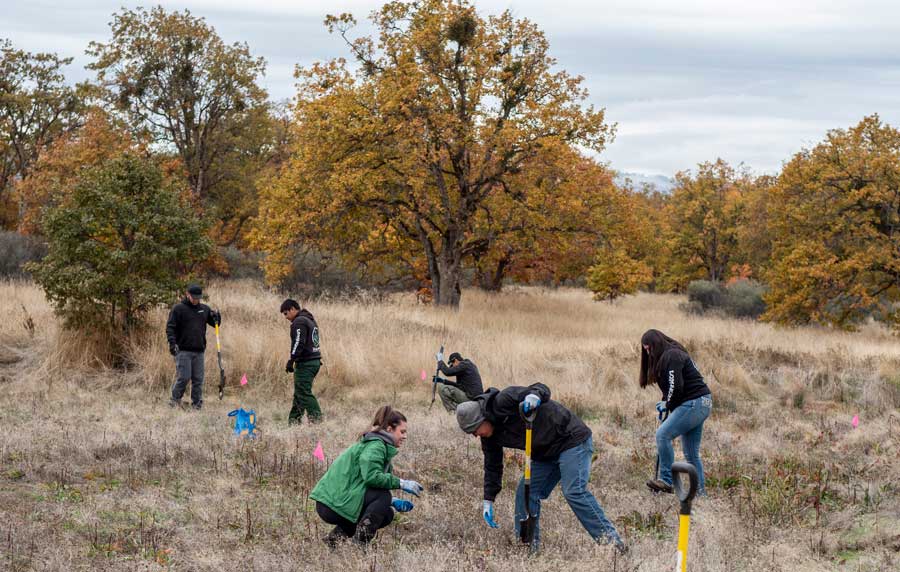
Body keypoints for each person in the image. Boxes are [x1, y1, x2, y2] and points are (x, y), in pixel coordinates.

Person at [455, 383, 626, 553]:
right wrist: (488, 499)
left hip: (570, 440)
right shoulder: (489, 437)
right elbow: (492, 466)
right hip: (545, 454)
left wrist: (534, 396)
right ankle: (527, 549)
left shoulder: (503, 400)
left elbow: (539, 387)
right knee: (525, 494)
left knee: (574, 491)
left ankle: (613, 545)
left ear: (483, 418)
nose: (476, 435)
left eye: (475, 430)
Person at [310, 406, 425, 547]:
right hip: (331, 504)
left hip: (336, 501)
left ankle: (334, 540)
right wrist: (402, 483)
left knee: (387, 513)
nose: (405, 436)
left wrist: (393, 501)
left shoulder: (379, 444)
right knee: (383, 496)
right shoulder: (376, 446)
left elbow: (363, 485)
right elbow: (371, 477)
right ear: (389, 429)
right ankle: (360, 545)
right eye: (402, 432)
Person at [639, 329, 712, 495]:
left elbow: (676, 386)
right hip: (701, 402)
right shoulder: (673, 354)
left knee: (662, 435)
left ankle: (666, 480)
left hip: (694, 403)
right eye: (645, 350)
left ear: (656, 345)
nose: (648, 353)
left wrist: (668, 403)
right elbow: (672, 386)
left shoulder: (672, 355)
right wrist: (666, 401)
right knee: (691, 454)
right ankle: (700, 494)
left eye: (649, 349)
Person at [165, 284, 220, 410]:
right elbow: (170, 328)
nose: (196, 300)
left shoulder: (204, 309)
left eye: (198, 298)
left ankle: (197, 404)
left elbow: (215, 323)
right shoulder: (178, 309)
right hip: (183, 350)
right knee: (184, 377)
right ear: (187, 294)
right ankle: (174, 400)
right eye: (193, 297)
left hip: (199, 350)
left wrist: (217, 317)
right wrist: (172, 343)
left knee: (198, 380)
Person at [281, 299, 323, 424]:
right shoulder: (310, 320)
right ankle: (293, 422)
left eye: (286, 313)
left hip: (306, 363)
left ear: (293, 309)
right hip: (314, 361)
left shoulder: (299, 322)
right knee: (299, 394)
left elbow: (299, 342)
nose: (286, 317)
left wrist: (291, 360)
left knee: (304, 393)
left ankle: (317, 421)